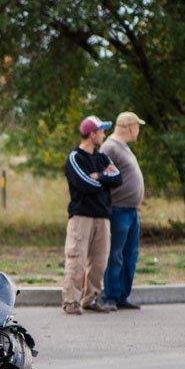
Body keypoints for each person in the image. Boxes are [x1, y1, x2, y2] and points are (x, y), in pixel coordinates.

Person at [62, 115, 123, 314]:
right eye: (101, 131)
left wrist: (101, 177)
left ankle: (92, 298)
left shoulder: (102, 158)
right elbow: (84, 184)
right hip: (82, 216)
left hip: (103, 216)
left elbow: (117, 178)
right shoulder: (75, 158)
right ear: (91, 134)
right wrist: (104, 181)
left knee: (100, 260)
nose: (103, 135)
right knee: (76, 258)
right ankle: (71, 301)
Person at [99, 111, 146, 310]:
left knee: (130, 254)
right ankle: (110, 295)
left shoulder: (123, 147)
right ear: (130, 127)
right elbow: (103, 176)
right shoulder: (110, 147)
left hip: (130, 210)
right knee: (115, 254)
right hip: (118, 209)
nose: (138, 131)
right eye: (138, 127)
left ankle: (122, 295)